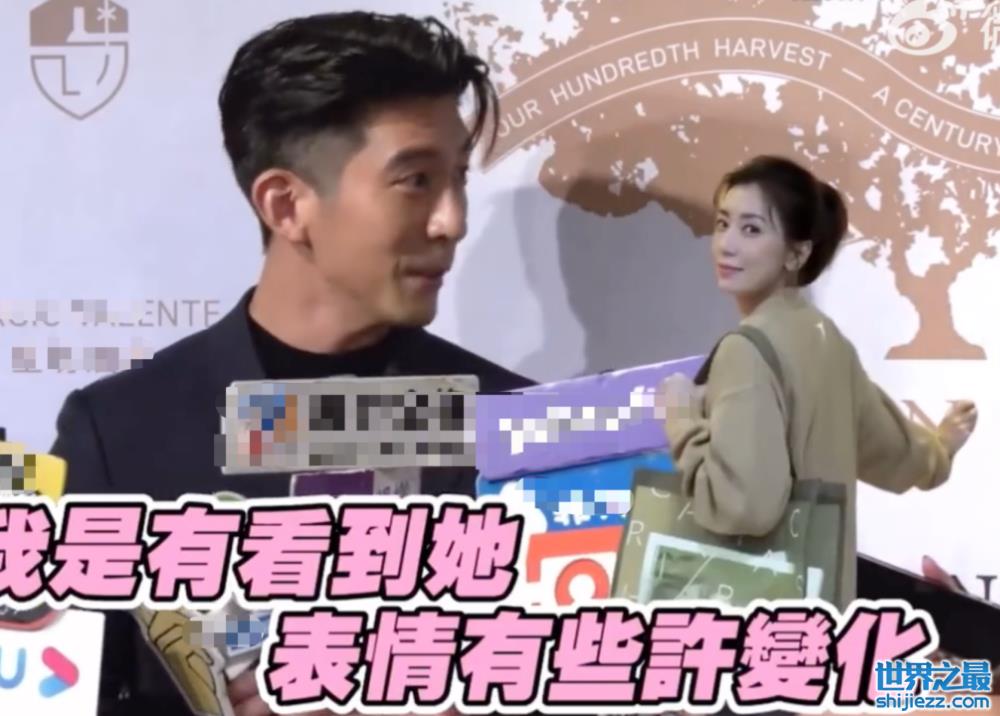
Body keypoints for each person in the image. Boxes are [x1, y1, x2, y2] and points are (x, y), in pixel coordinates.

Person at [48, 11, 531, 716]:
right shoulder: (121, 434)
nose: (451, 220)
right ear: (286, 204)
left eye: (457, 177)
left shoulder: (516, 425)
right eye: (415, 180)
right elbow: (47, 695)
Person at [658, 155, 978, 608]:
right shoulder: (825, 338)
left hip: (754, 624)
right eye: (723, 224)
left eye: (751, 229)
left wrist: (682, 419)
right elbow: (894, 452)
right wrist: (940, 449)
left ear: (797, 253)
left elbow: (744, 506)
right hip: (823, 618)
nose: (726, 244)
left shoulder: (746, 350)